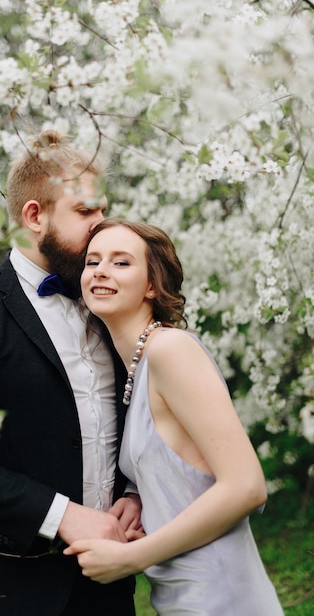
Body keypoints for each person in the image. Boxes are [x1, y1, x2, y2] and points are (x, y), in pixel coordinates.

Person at [0, 134, 141, 615]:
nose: (102, 227)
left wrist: (133, 491)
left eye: (103, 211)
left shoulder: (108, 297)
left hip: (109, 580)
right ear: (35, 216)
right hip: (8, 588)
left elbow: (138, 409)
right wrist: (60, 515)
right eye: (86, 213)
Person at [64, 219, 284, 615]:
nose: (100, 270)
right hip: (181, 598)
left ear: (152, 285)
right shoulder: (138, 366)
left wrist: (132, 559)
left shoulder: (171, 351)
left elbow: (247, 486)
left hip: (222, 595)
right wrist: (136, 497)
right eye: (92, 261)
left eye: (121, 263)